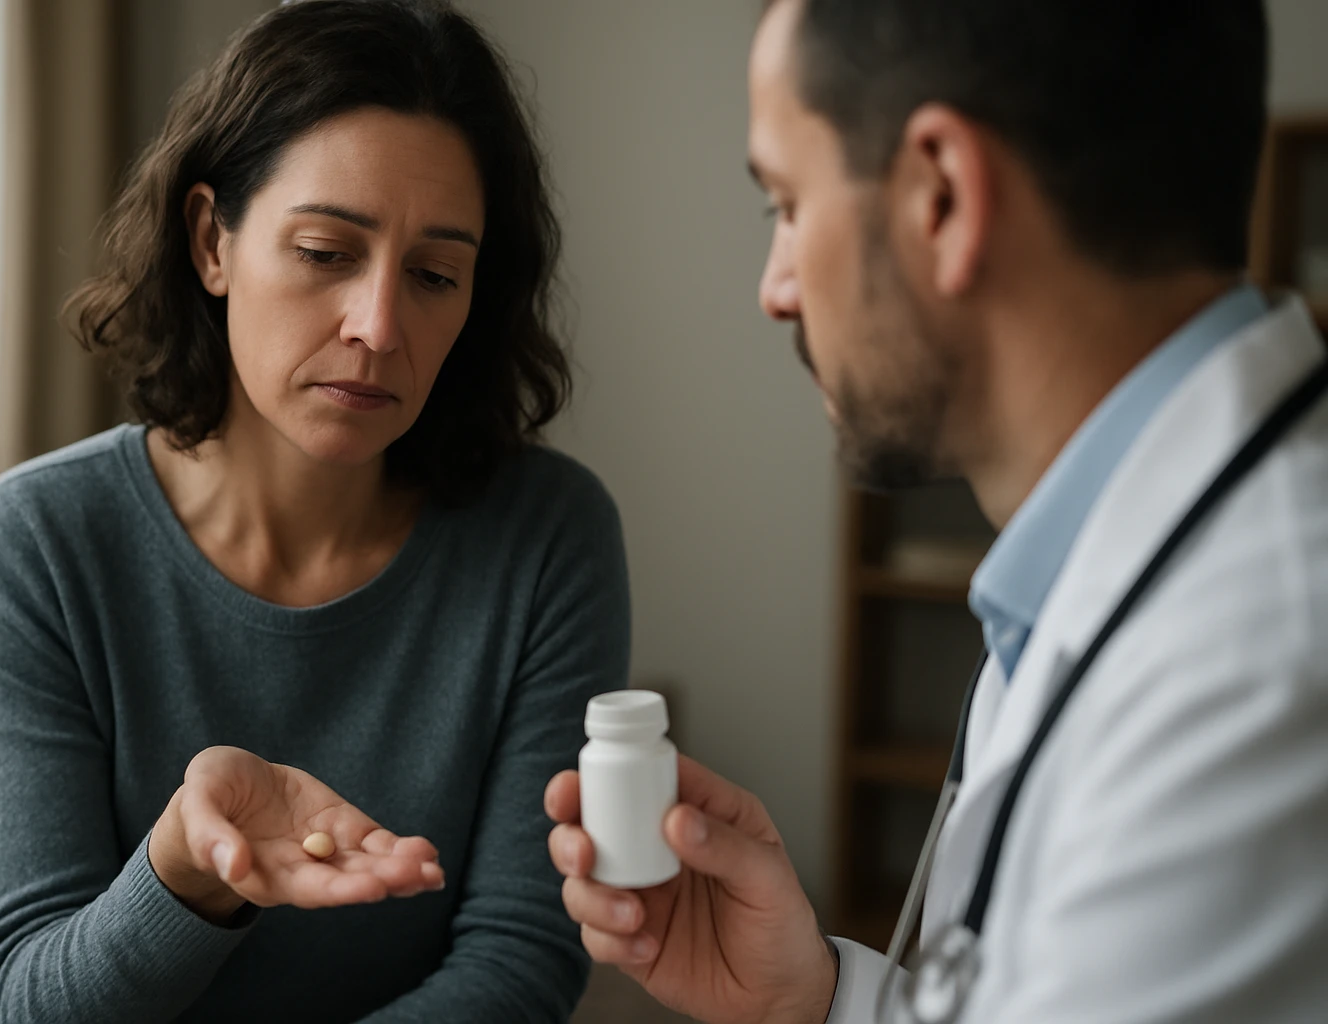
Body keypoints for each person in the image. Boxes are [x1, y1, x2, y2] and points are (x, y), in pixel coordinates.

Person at [548, 0, 1328, 1021]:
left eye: (786, 203)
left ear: (943, 195)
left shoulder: (1254, 668)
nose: (774, 288)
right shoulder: (1109, 564)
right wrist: (814, 999)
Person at [0, 2, 628, 1021]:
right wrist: (183, 870)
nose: (379, 325)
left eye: (436, 274)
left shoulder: (547, 536)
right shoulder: (40, 541)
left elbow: (520, 959)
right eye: (325, 251)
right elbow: (23, 1005)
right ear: (211, 242)